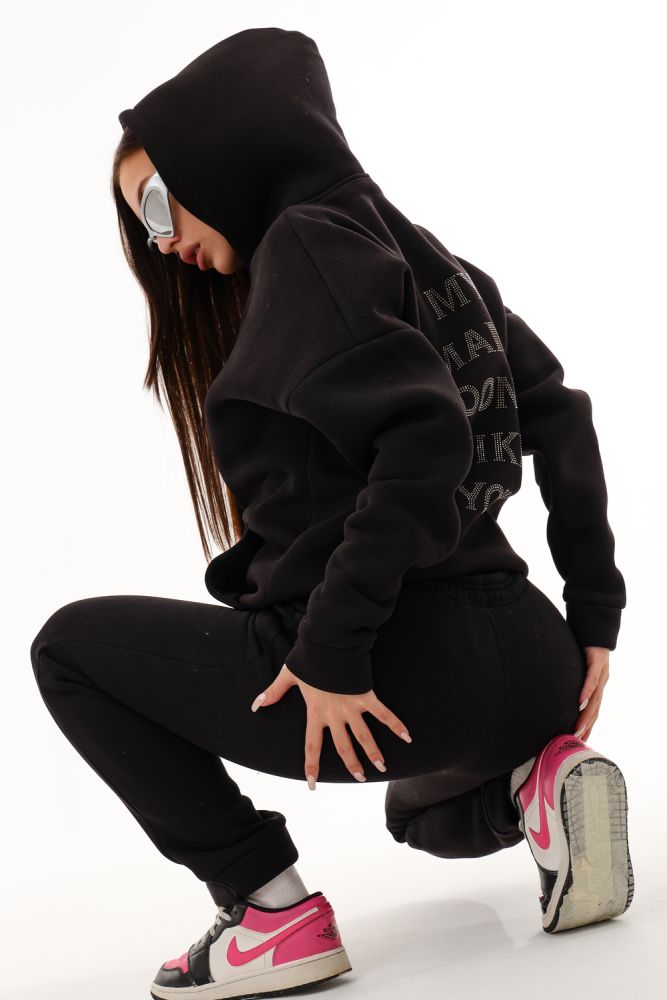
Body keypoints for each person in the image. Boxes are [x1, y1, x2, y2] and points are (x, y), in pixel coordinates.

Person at [29, 26, 633, 1000]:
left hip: (395, 661)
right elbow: (558, 412)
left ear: (220, 156)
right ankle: (535, 784)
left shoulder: (305, 243)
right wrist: (591, 618)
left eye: (155, 203)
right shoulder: (426, 258)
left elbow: (424, 440)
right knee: (419, 815)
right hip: (531, 663)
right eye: (140, 224)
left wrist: (331, 651)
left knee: (69, 650)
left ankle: (268, 912)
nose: (160, 240)